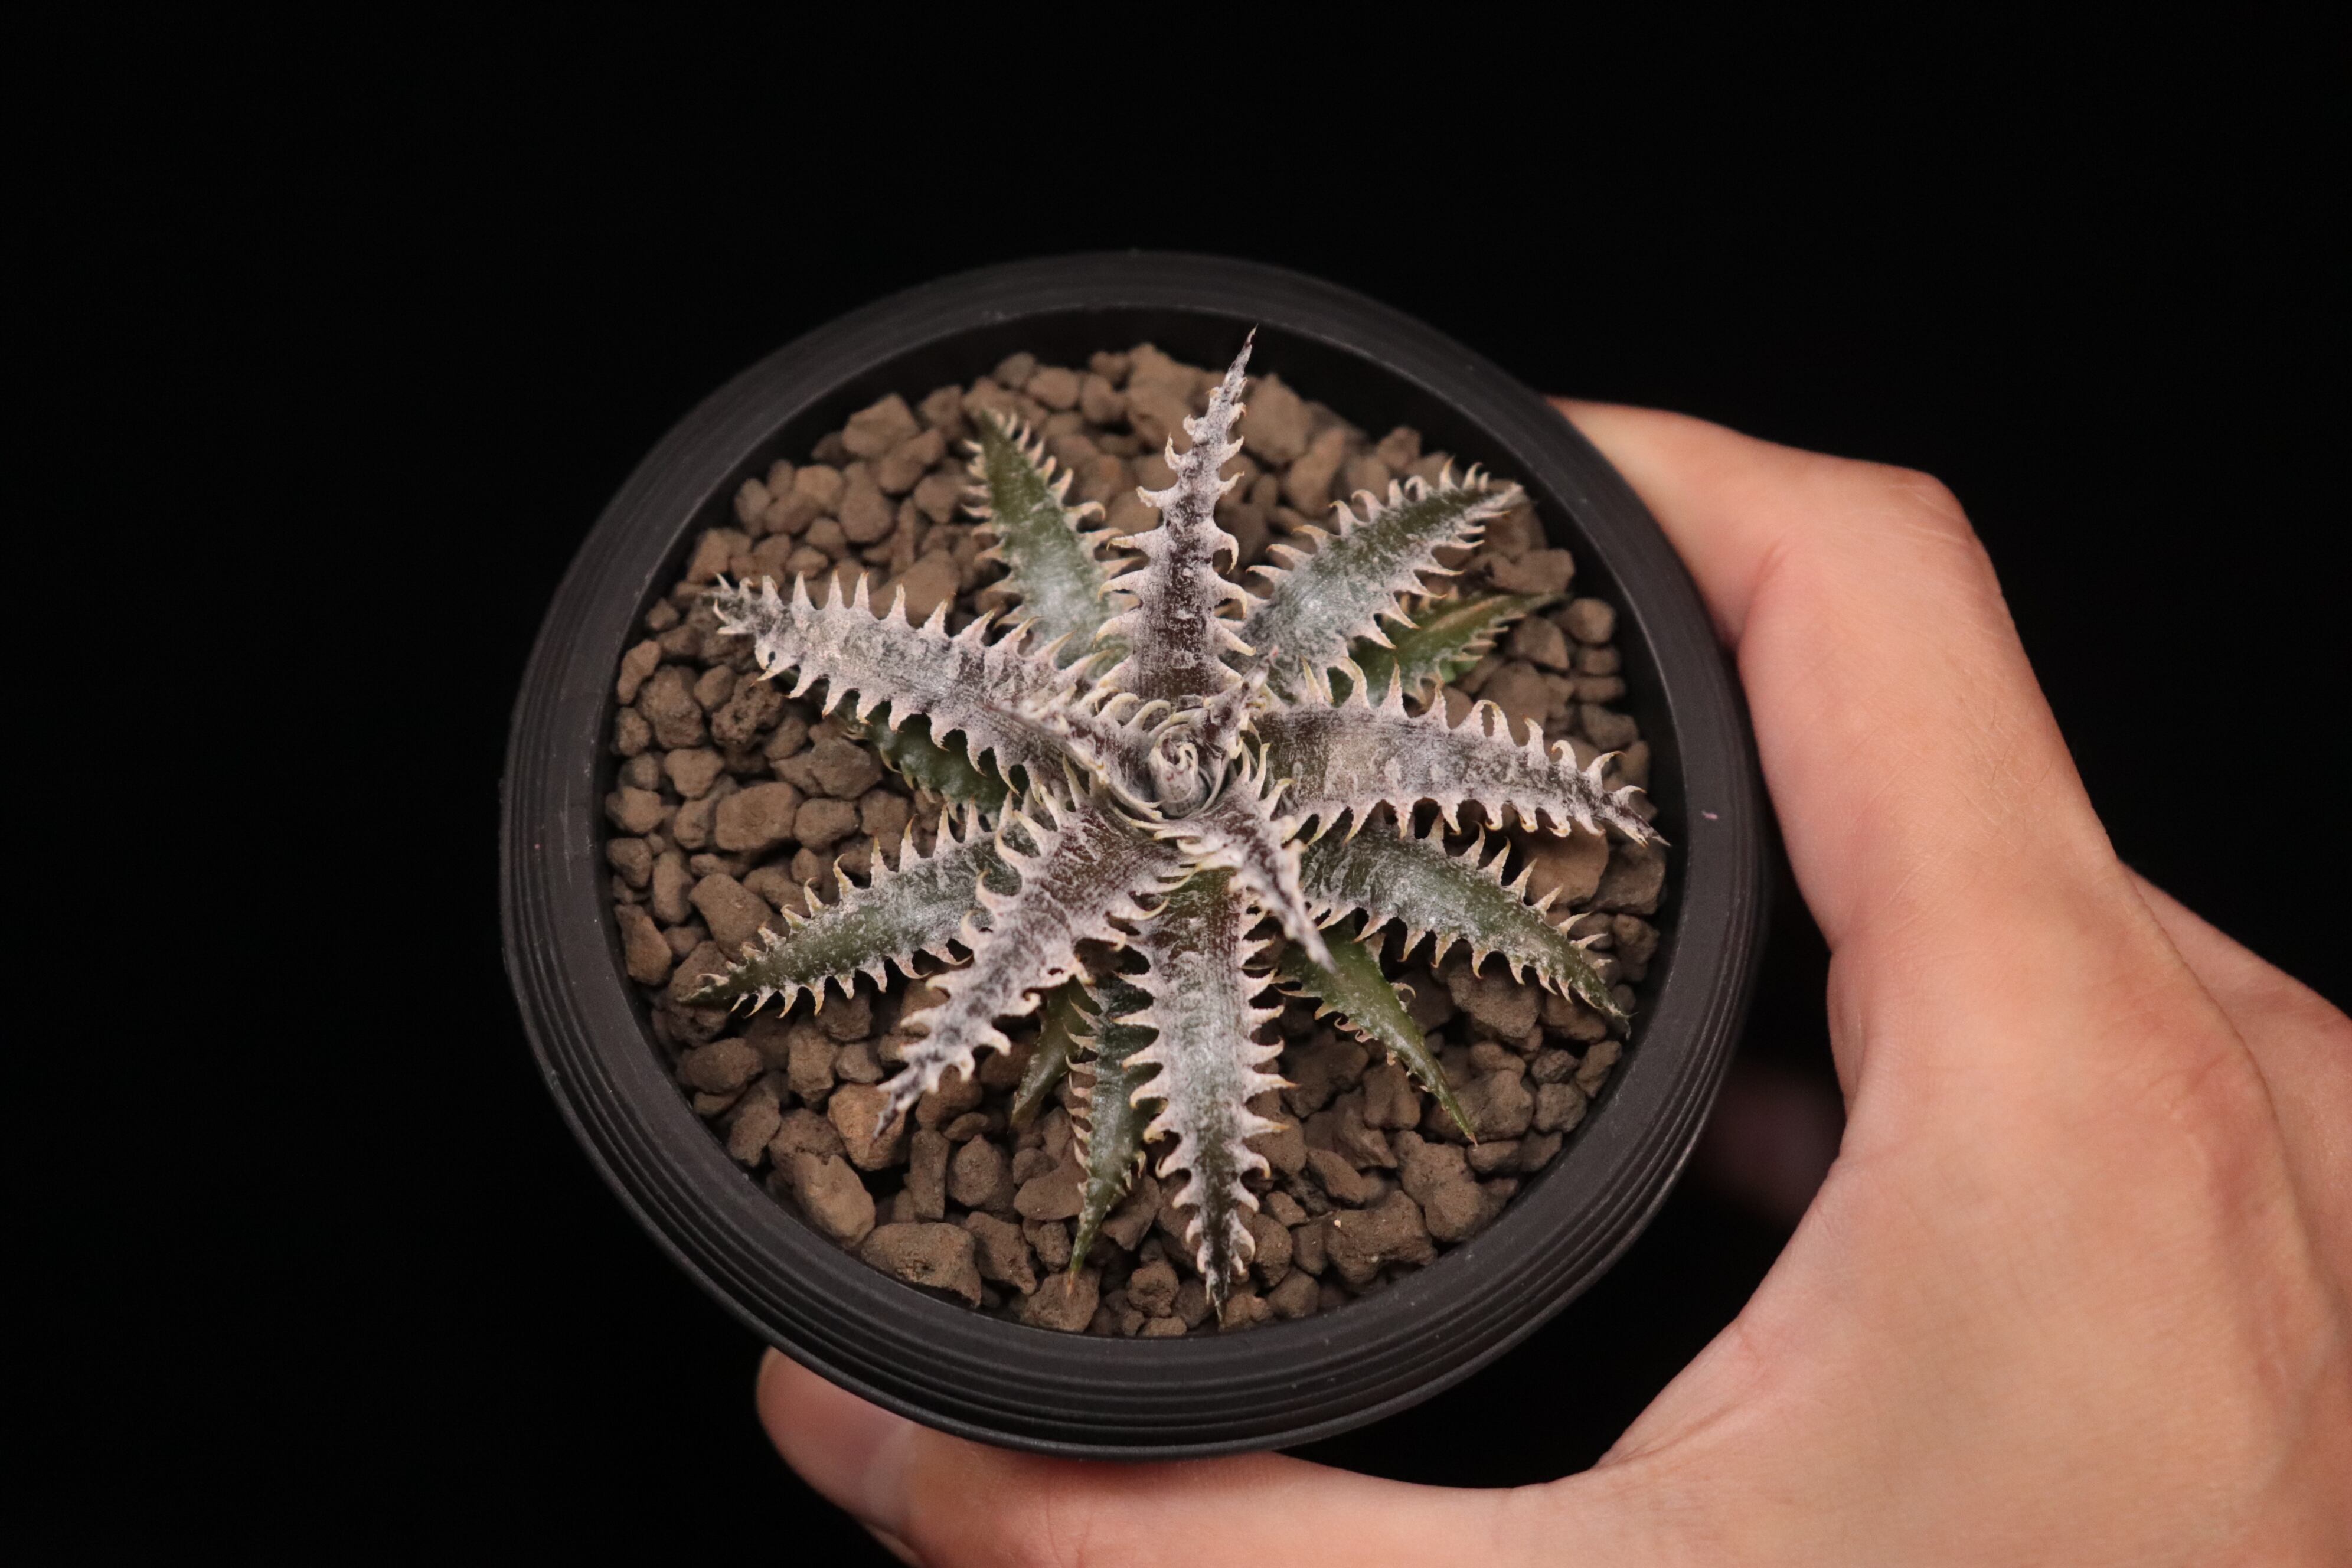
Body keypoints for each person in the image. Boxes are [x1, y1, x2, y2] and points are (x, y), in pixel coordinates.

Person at [753, 403, 2351, 1565]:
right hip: (1078, 837)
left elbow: (1484, 783)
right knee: (987, 960)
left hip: (1274, 843)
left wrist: (1338, 856)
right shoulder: (1081, 739)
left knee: (1533, 846)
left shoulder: (1296, 754)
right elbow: (999, 942)